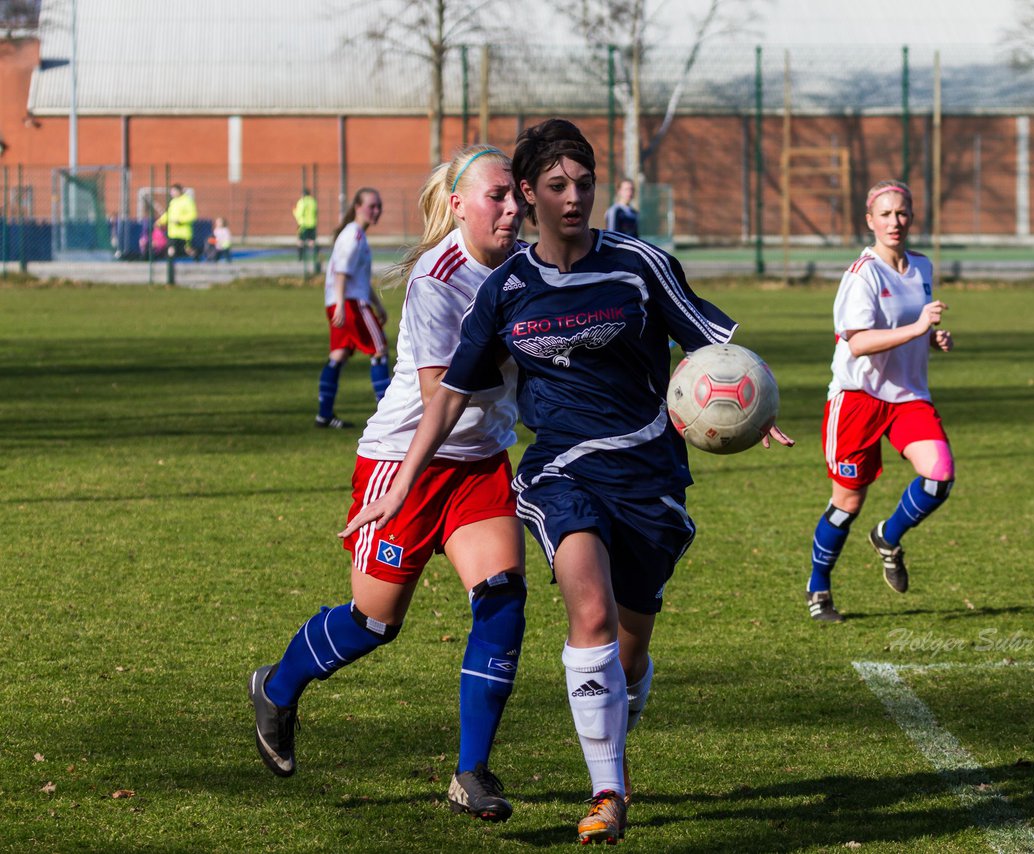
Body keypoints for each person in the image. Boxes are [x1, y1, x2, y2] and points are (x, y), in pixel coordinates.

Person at [340, 118, 792, 845]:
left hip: (648, 471)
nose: (574, 197)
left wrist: (754, 404)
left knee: (629, 646)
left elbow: (711, 344)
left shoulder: (640, 264)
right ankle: (608, 793)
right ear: (528, 193)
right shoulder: (507, 287)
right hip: (559, 472)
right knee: (587, 611)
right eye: (556, 186)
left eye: (583, 183)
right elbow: (448, 395)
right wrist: (399, 484)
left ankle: (619, 707)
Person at [248, 145, 529, 822]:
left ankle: (471, 772)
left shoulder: (533, 269)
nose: (514, 208)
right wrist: (530, 342)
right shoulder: (439, 277)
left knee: (502, 598)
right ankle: (277, 687)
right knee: (374, 622)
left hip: (480, 464)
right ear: (459, 205)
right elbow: (441, 392)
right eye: (499, 196)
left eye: (518, 195)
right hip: (403, 464)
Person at [806, 179, 954, 622]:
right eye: (886, 214)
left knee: (939, 475)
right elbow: (858, 343)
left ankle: (888, 536)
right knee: (848, 503)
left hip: (908, 397)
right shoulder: (862, 274)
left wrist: (931, 339)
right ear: (870, 221)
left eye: (903, 213)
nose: (896, 222)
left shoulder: (922, 268)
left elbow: (909, 327)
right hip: (858, 399)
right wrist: (916, 329)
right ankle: (819, 589)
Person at [316, 187, 389, 429]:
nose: (376, 211)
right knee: (379, 350)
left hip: (339, 301)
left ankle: (324, 414)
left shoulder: (354, 234)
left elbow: (357, 277)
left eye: (379, 206)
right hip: (348, 303)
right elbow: (342, 272)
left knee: (338, 355)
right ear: (357, 207)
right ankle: (388, 415)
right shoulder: (354, 235)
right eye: (372, 206)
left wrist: (378, 305)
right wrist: (340, 305)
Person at [155, 183, 198, 261]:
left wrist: (180, 220)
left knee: (186, 250)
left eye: (174, 191)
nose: (172, 193)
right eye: (171, 191)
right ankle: (170, 267)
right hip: (173, 232)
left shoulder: (187, 201)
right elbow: (168, 214)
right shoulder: (173, 202)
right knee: (171, 249)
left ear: (179, 191)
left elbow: (192, 215)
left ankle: (196, 259)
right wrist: (160, 221)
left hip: (184, 233)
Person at [294, 187, 318, 263]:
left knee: (300, 241)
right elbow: (316, 212)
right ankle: (315, 258)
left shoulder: (301, 202)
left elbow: (299, 214)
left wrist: (294, 212)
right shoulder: (313, 201)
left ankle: (300, 258)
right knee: (312, 242)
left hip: (303, 225)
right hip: (312, 224)